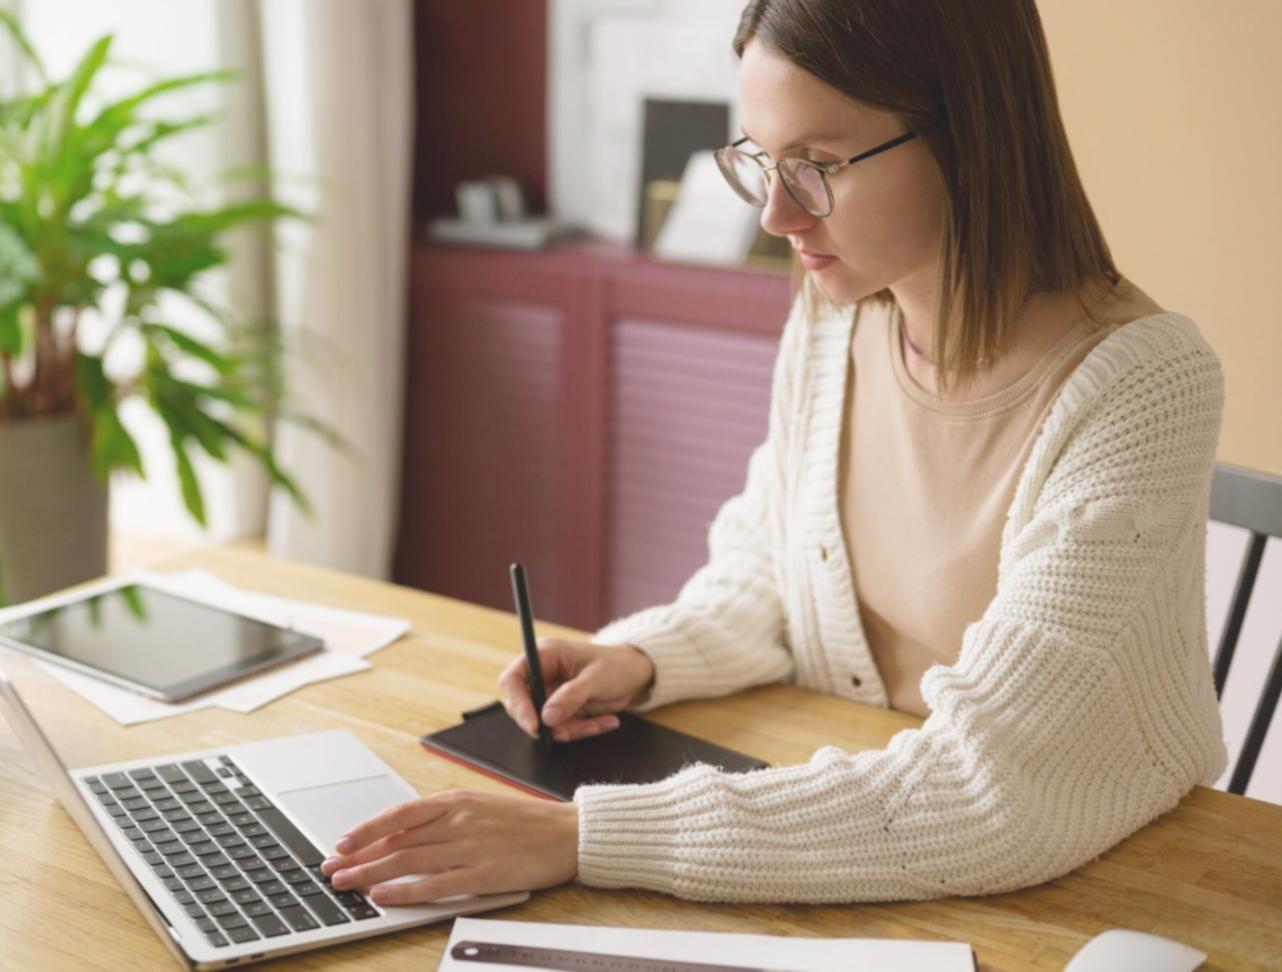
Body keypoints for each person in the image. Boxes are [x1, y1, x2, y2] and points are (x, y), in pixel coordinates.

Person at [321, 0, 1226, 906]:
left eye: (819, 166)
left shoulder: (1141, 386)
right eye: (761, 161)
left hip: (1098, 884)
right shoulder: (839, 316)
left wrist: (581, 836)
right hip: (847, 823)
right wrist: (643, 658)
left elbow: (989, 788)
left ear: (969, 133)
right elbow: (772, 572)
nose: (776, 216)